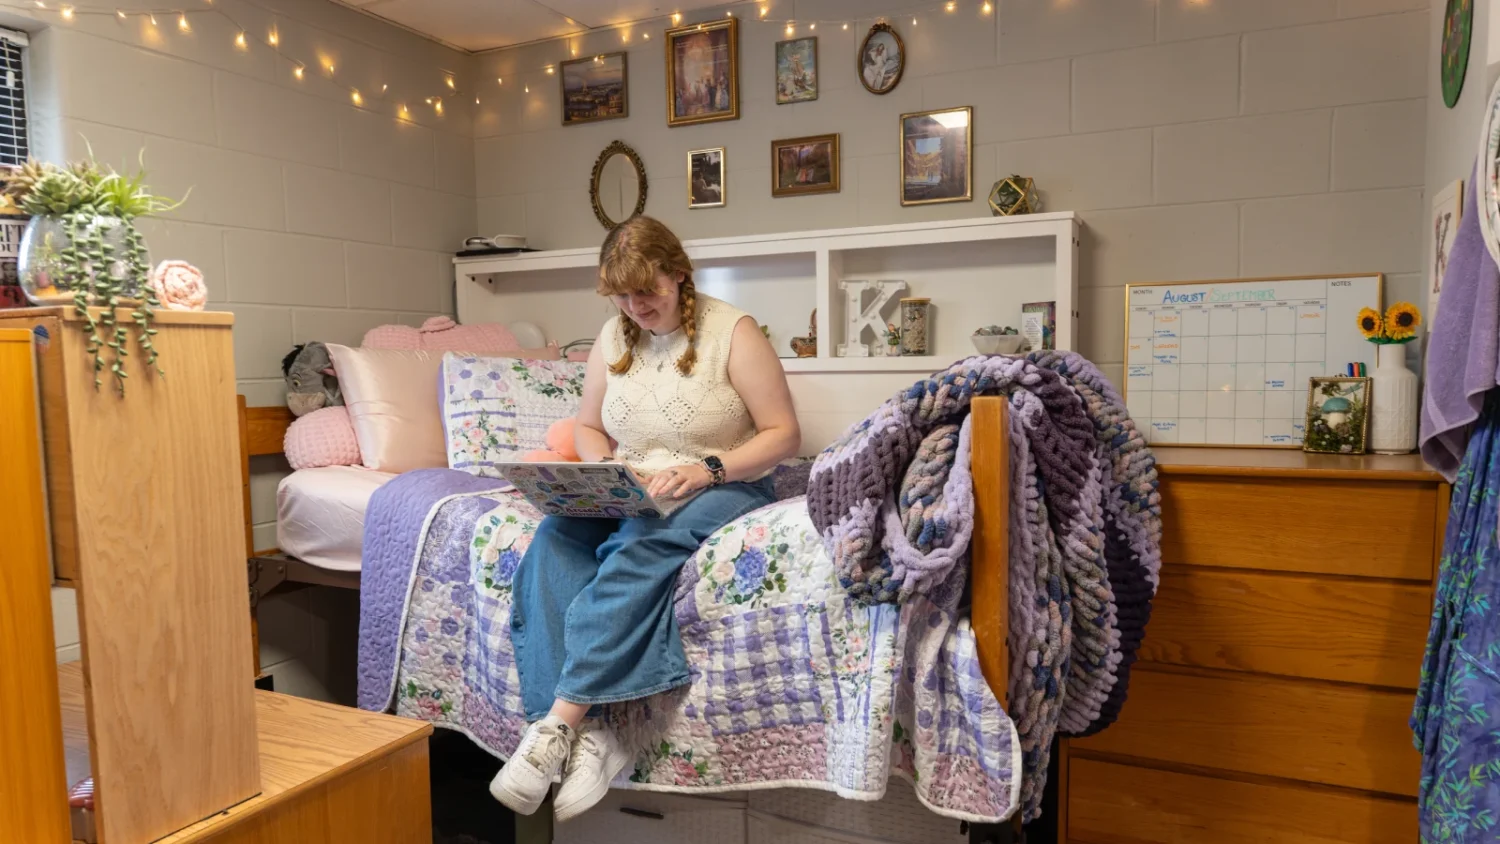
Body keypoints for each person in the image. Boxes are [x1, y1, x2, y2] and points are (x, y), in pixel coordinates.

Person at [490, 216, 801, 822]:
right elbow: (586, 424)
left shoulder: (731, 332)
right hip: (630, 481)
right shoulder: (613, 337)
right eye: (624, 296)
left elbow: (784, 435)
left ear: (678, 274)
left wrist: (708, 469)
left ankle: (558, 724)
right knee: (552, 543)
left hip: (721, 481)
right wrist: (600, 465)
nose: (638, 307)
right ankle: (595, 736)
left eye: (649, 291)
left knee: (639, 547)